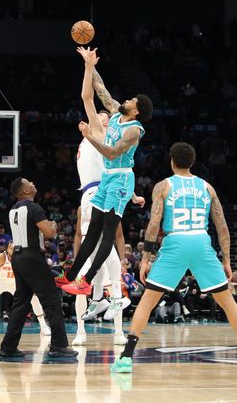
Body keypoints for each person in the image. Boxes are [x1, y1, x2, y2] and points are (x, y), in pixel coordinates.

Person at [110, 142, 237, 374]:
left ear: (172, 161)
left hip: (176, 242)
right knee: (228, 303)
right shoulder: (207, 187)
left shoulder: (163, 186)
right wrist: (227, 260)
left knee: (148, 302)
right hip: (201, 241)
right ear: (192, 163)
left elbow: (154, 223)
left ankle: (126, 357)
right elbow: (222, 226)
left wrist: (147, 257)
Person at [60, 48, 153, 295]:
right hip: (108, 178)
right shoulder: (115, 113)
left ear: (136, 111)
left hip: (121, 178)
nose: (126, 100)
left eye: (131, 101)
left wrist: (89, 137)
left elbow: (112, 154)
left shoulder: (134, 130)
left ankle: (88, 280)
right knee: (92, 231)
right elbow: (99, 88)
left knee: (108, 232)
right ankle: (70, 275)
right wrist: (90, 64)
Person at [69, 47, 138, 345]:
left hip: (102, 189)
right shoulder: (91, 136)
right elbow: (89, 96)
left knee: (106, 250)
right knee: (94, 250)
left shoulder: (109, 133)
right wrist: (88, 66)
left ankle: (109, 303)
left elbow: (119, 164)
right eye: (99, 116)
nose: (101, 116)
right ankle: (94, 308)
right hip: (92, 193)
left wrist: (132, 194)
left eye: (105, 116)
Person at [0, 177, 77, 359]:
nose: (33, 183)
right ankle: (58, 345)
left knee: (21, 302)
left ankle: (8, 347)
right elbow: (49, 233)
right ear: (25, 191)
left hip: (17, 258)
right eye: (29, 182)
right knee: (52, 301)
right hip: (32, 257)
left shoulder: (13, 210)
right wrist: (54, 226)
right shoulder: (34, 208)